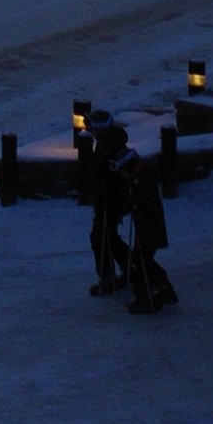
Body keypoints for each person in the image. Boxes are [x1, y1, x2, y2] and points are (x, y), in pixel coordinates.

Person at [113, 144, 178, 313]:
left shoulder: (144, 179)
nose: (122, 174)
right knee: (142, 260)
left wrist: (135, 205)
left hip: (150, 228)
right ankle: (160, 291)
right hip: (144, 228)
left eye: (122, 170)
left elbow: (146, 201)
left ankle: (151, 295)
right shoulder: (137, 179)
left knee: (141, 262)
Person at [85, 110, 131, 296]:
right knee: (107, 236)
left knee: (100, 237)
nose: (89, 131)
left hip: (112, 201)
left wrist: (105, 195)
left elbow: (116, 176)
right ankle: (130, 267)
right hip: (108, 200)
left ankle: (109, 277)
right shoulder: (105, 144)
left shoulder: (112, 147)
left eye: (92, 128)